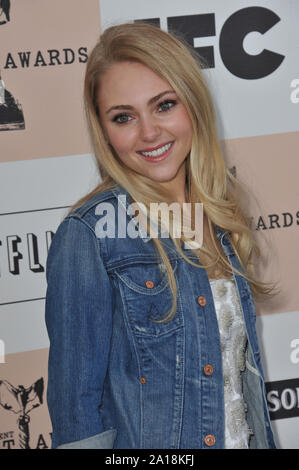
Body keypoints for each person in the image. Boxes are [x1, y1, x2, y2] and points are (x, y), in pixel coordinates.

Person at [45, 23, 277, 449]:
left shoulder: (218, 216)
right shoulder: (92, 235)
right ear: (103, 129)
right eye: (124, 117)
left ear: (192, 104)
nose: (148, 133)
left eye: (164, 105)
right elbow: (78, 417)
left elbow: (241, 397)